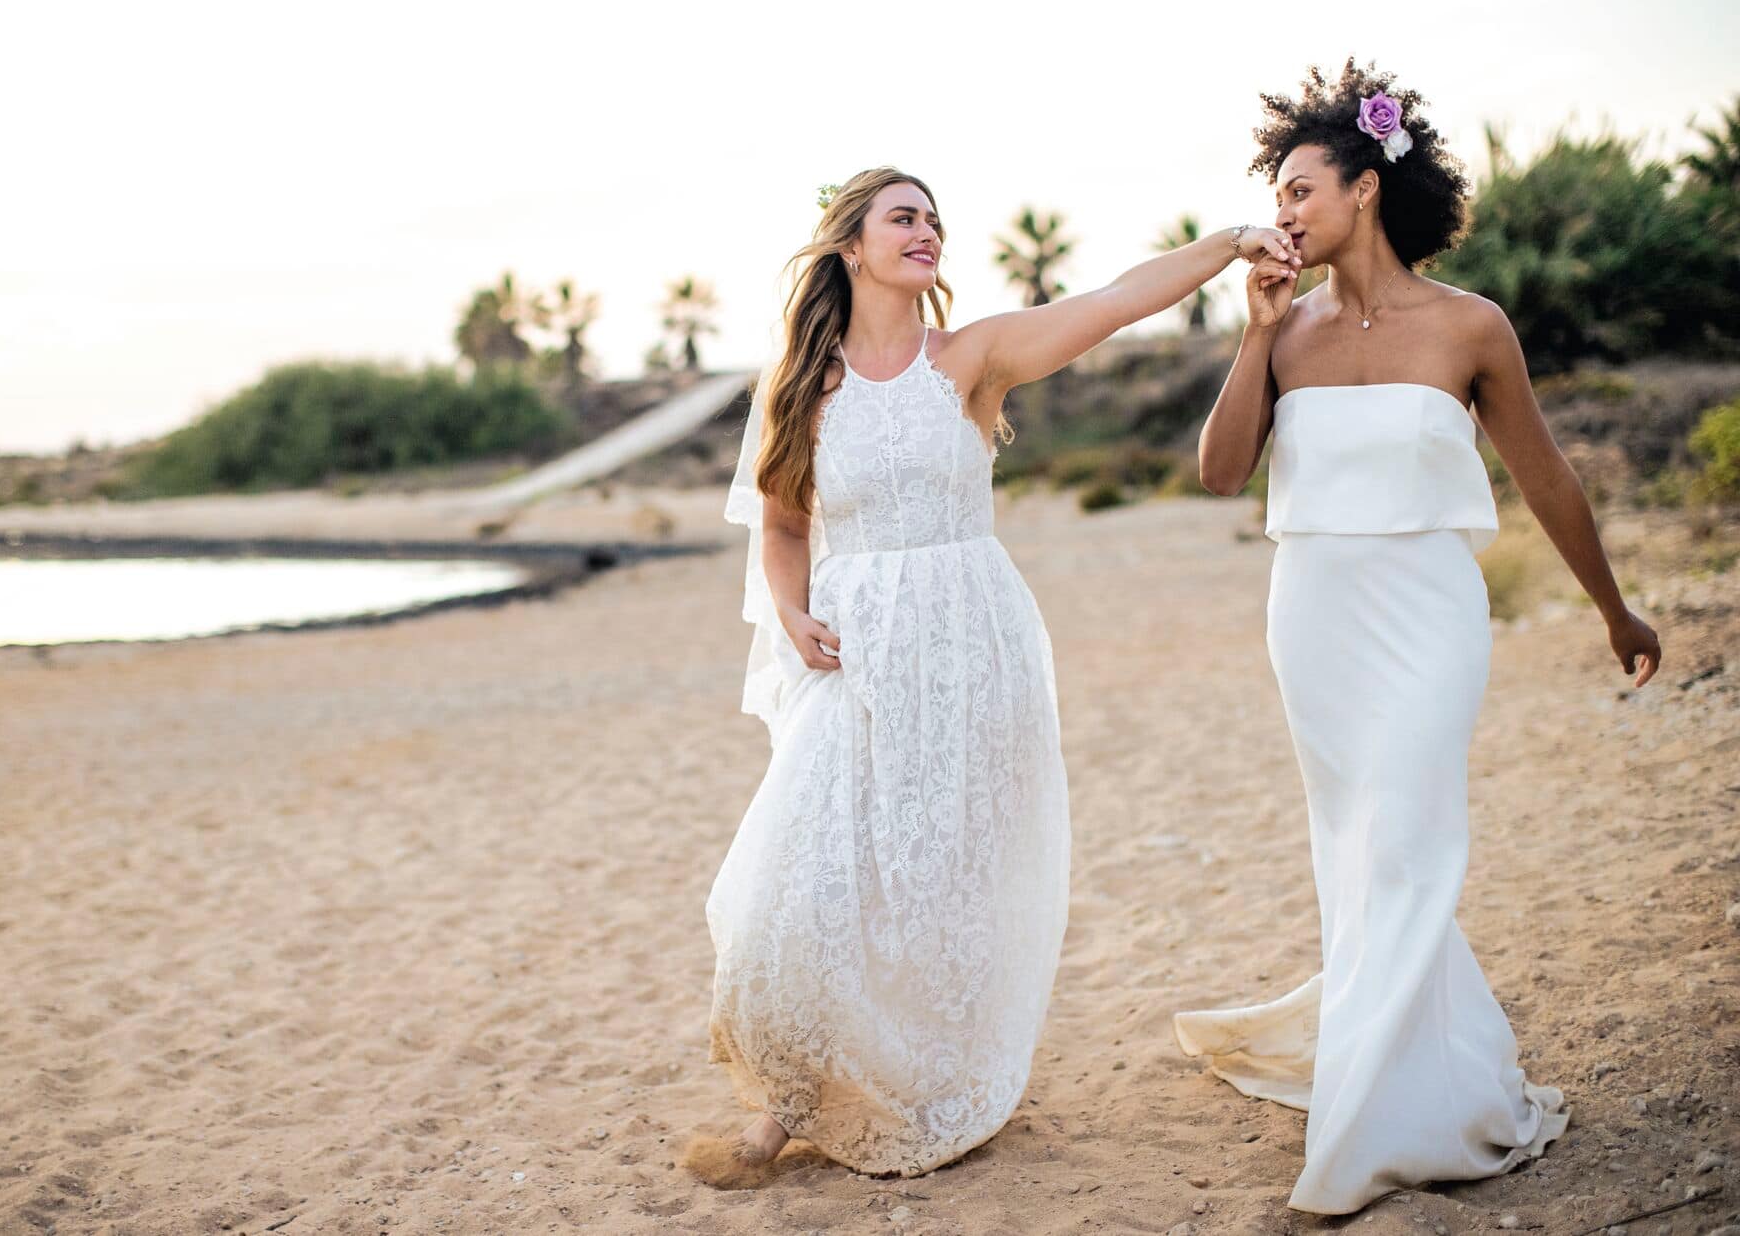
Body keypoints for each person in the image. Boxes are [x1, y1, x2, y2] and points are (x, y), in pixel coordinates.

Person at [690, 166, 1293, 1185]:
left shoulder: (970, 358)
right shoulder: (801, 382)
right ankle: (784, 1099)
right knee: (797, 885)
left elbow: (1106, 303)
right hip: (858, 655)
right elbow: (784, 523)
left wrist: (1228, 240)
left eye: (932, 218)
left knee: (935, 883)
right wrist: (789, 609)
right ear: (850, 245)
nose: (925, 230)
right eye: (902, 217)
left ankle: (913, 1085)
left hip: (972, 648)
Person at [1176, 60, 1662, 1215]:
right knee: (1356, 847)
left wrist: (1609, 605)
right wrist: (1250, 338)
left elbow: (1543, 477)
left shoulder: (1468, 327)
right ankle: (1389, 1065)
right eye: (1274, 194)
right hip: (1313, 616)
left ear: (1364, 188)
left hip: (1428, 612)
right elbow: (1216, 473)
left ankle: (1371, 1122)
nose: (1280, 212)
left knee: (1406, 829)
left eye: (1298, 188)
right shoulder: (1282, 332)